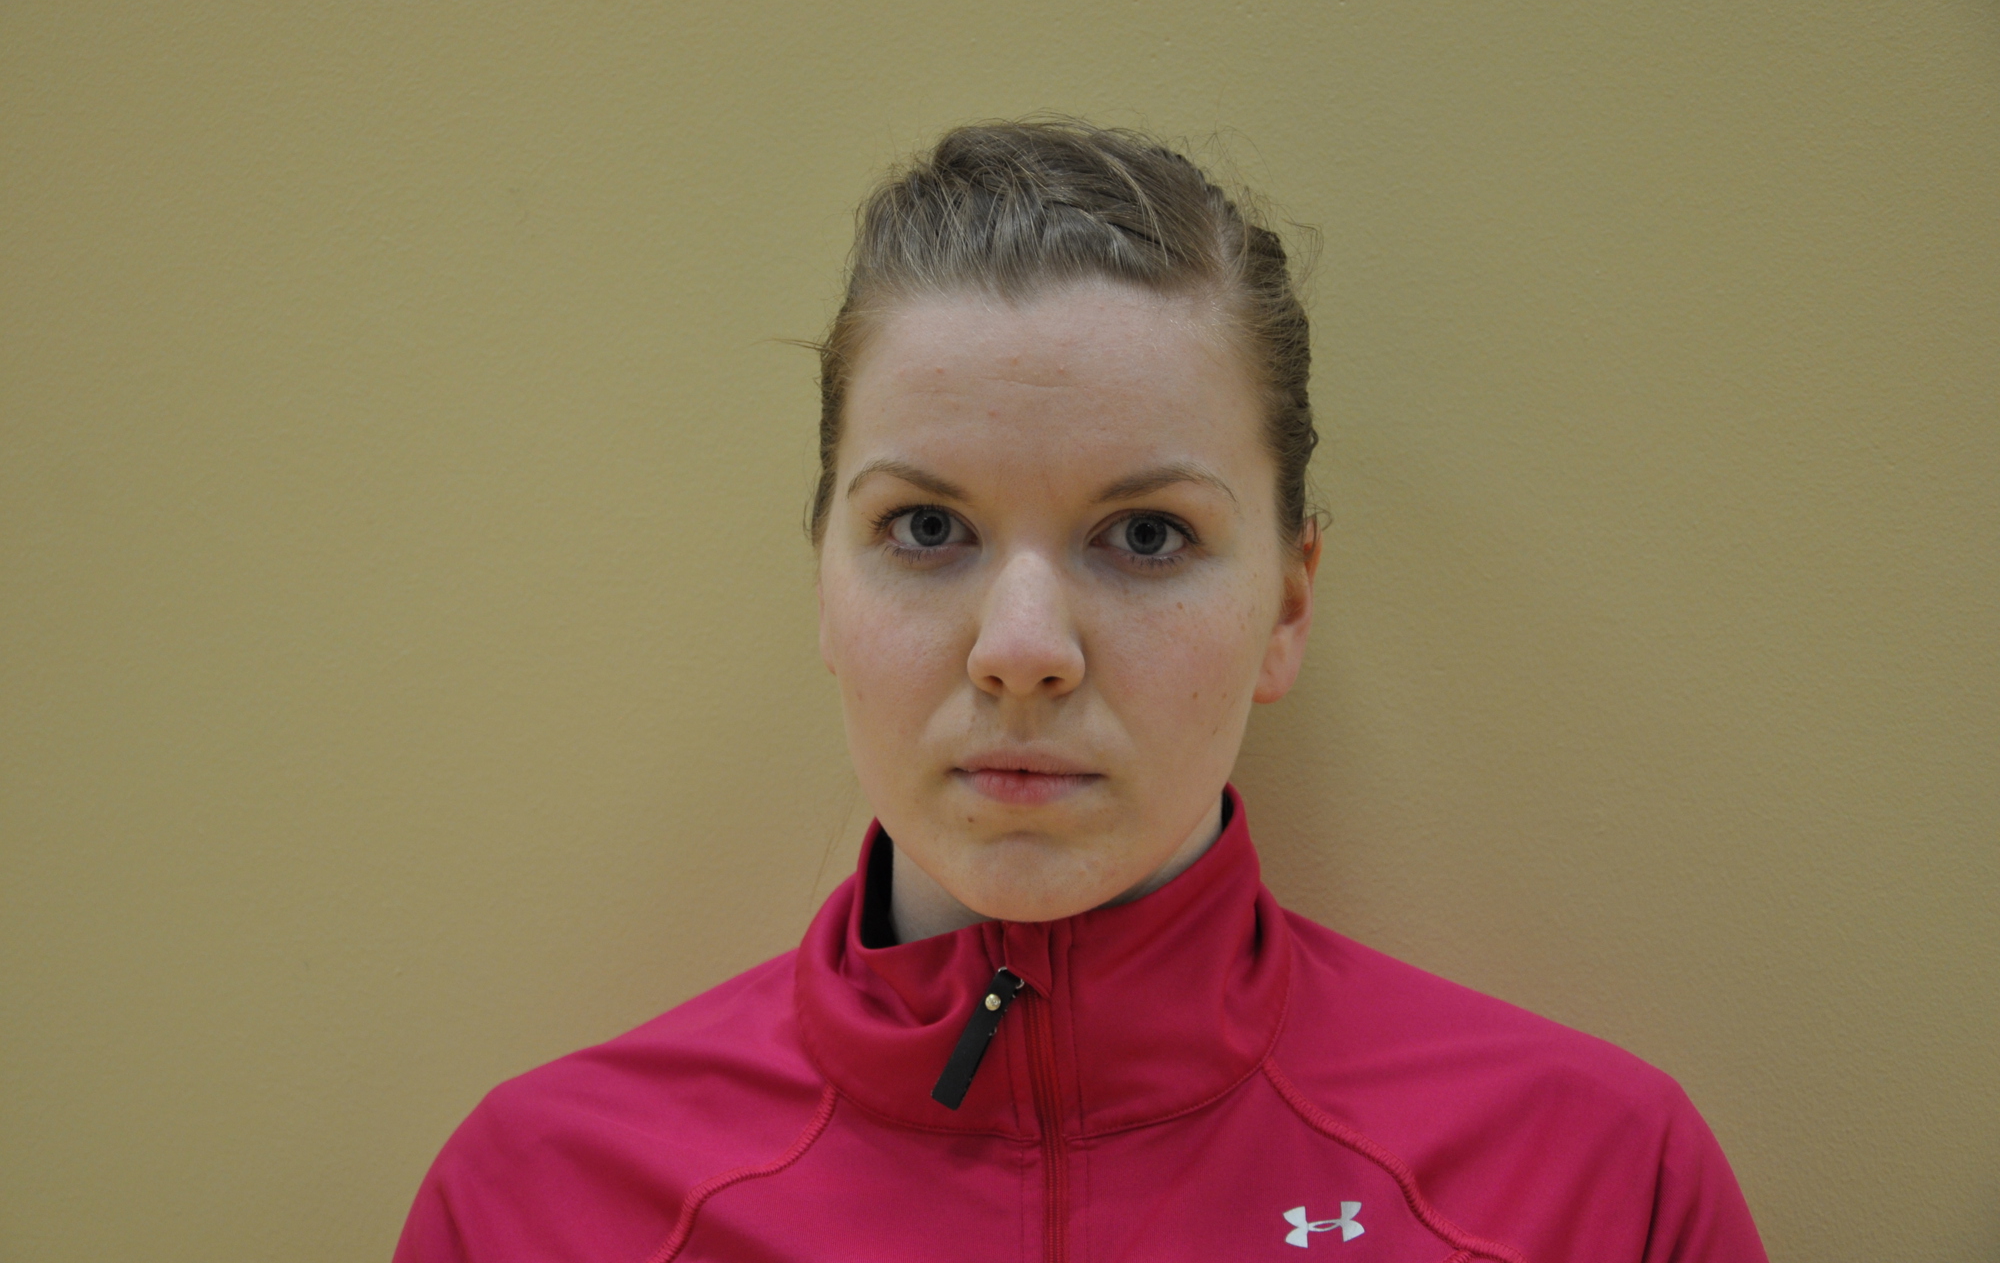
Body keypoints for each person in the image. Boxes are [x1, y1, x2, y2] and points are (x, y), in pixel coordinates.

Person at [394, 120, 1767, 1262]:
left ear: (1289, 605)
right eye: (926, 528)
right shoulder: (542, 1205)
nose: (1022, 647)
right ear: (823, 587)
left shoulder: (1592, 1185)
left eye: (1147, 535)